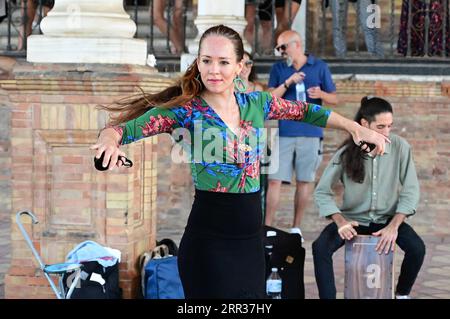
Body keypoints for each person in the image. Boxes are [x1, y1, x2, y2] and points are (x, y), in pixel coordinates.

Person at [91, 24, 388, 299]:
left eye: (223, 62)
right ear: (197, 63)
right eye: (206, 61)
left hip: (250, 243)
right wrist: (108, 142)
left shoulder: (257, 104)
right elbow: (122, 130)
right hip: (207, 243)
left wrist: (356, 128)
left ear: (239, 67)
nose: (213, 70)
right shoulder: (185, 111)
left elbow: (308, 112)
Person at [312, 96, 425, 299]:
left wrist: (394, 226)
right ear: (364, 124)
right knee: (320, 248)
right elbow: (322, 191)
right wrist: (340, 222)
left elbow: (411, 190)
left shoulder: (400, 147)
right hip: (353, 220)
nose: (387, 132)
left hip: (387, 220)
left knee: (417, 248)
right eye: (381, 127)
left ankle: (401, 295)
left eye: (390, 126)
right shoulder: (347, 152)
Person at [264, 30, 338, 240]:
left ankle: (296, 227)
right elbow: (269, 99)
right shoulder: (278, 68)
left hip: (311, 131)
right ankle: (267, 227)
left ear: (296, 45)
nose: (280, 52)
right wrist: (288, 82)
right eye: (278, 48)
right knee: (274, 180)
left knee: (305, 181)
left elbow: (334, 99)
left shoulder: (319, 66)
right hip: (285, 131)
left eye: (282, 47)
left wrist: (321, 94)